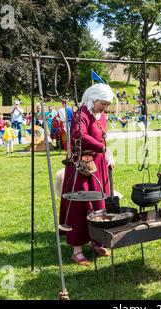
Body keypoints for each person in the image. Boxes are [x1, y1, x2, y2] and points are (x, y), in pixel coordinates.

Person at [59, 83, 116, 266]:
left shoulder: (101, 116)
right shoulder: (80, 114)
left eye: (107, 105)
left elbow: (101, 139)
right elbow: (79, 136)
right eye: (103, 104)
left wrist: (108, 155)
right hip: (81, 168)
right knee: (81, 206)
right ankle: (76, 250)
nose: (105, 108)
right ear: (92, 99)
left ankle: (96, 241)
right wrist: (102, 148)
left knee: (100, 204)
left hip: (98, 165)